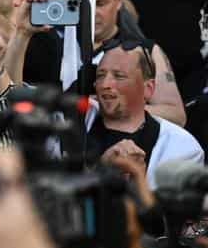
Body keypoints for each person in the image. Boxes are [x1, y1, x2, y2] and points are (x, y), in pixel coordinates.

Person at [85, 39, 202, 190]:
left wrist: (137, 179)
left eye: (119, 76)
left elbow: (175, 211)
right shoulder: (72, 126)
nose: (105, 84)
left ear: (148, 88)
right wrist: (100, 169)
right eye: (100, 75)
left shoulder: (181, 147)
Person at [91, 0, 185, 126]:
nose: (93, 13)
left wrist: (112, 107)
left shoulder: (145, 50)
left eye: (101, 3)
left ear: (119, 0)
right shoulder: (56, 45)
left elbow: (176, 115)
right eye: (88, 4)